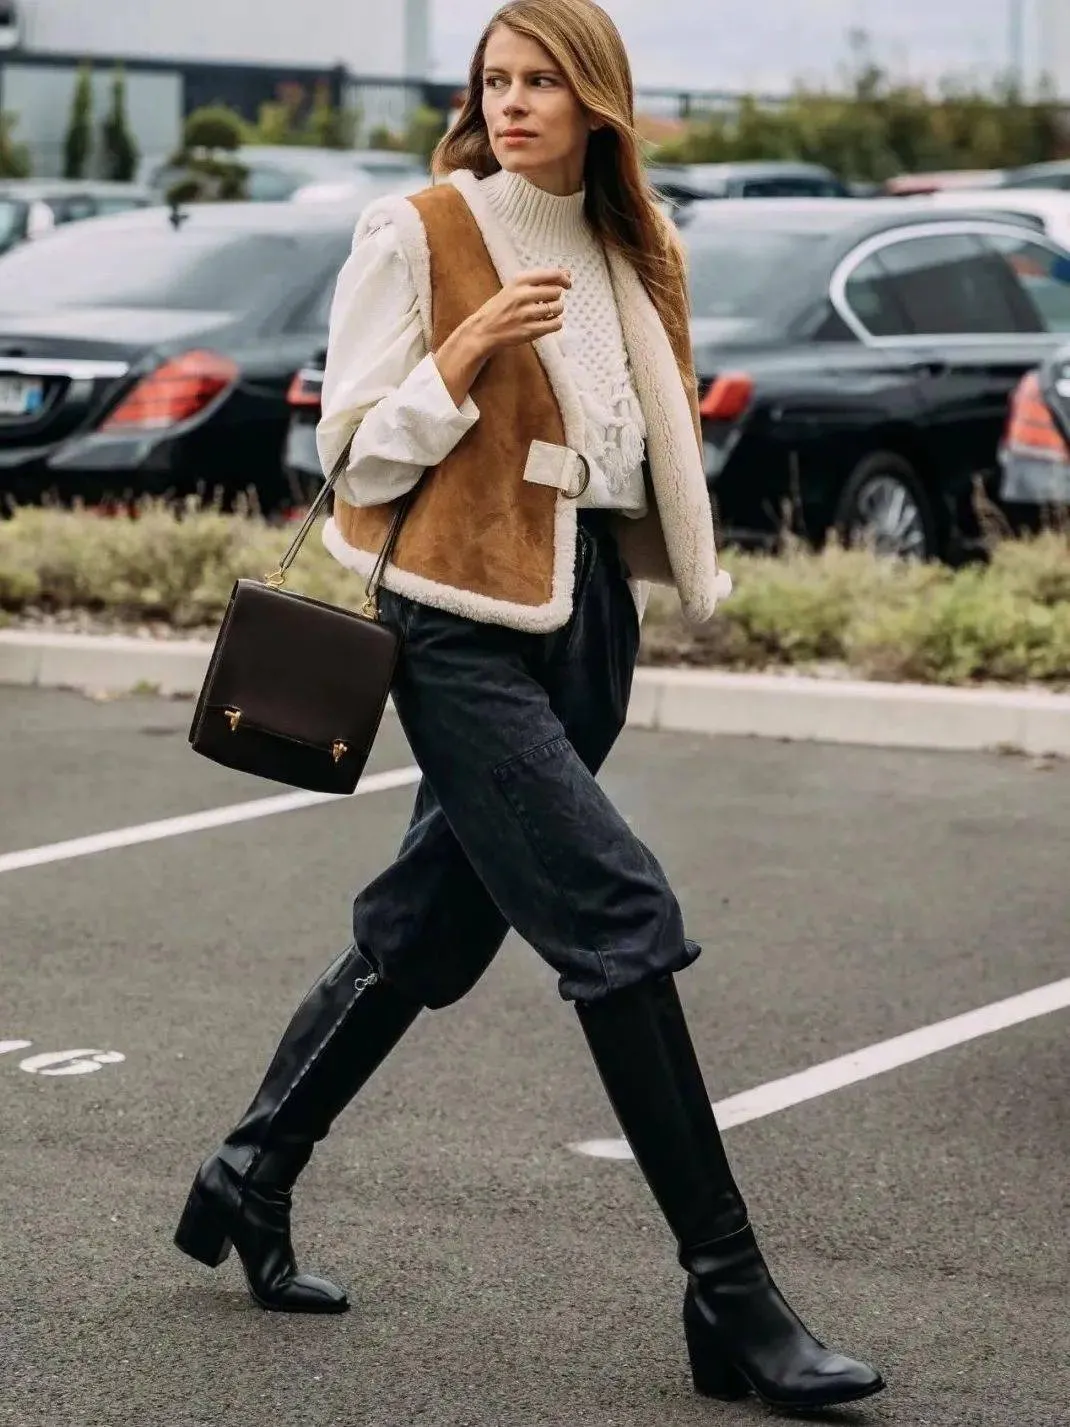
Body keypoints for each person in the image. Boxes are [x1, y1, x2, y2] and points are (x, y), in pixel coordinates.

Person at [173, 0, 885, 1411]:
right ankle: (729, 1291)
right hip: (456, 626)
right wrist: (462, 355)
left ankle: (250, 1169)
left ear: (594, 99)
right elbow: (351, 457)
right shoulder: (418, 230)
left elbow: (639, 439)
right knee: (618, 916)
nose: (509, 102)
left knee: (431, 918)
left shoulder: (637, 241)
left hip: (587, 620)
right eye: (493, 79)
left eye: (540, 80)